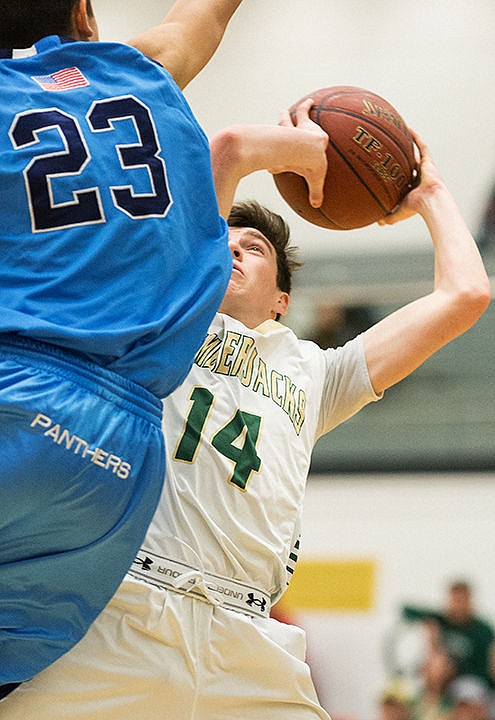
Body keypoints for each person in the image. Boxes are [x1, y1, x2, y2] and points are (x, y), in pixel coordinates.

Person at [1, 108, 490, 719]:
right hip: (124, 613)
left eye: (252, 248)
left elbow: (466, 295)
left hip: (251, 645)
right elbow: (225, 150)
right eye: (222, 243)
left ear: (282, 300)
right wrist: (302, 149)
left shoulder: (319, 374)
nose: (232, 250)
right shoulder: (164, 319)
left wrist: (431, 194)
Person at [0, 0, 248, 694]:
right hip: (117, 455)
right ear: (83, 12)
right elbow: (203, 16)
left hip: (17, 392)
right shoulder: (142, 74)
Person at [402, 581, 495, 689]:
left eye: (461, 600)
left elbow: (486, 668)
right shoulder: (441, 620)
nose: (458, 606)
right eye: (454, 600)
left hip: (469, 680)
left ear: (469, 601)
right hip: (441, 678)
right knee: (436, 665)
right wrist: (430, 625)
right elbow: (406, 610)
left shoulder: (482, 630)